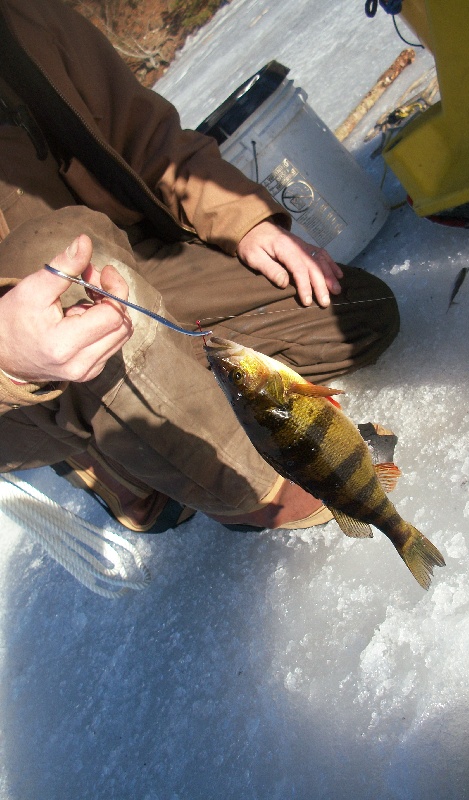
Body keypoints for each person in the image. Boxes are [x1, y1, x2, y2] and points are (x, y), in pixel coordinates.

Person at [0, 0, 399, 533]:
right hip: (22, 373)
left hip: (128, 267)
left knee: (359, 318)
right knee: (49, 260)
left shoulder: (28, 19)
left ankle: (157, 419)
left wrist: (245, 221)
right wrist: (9, 363)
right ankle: (251, 489)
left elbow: (146, 139)